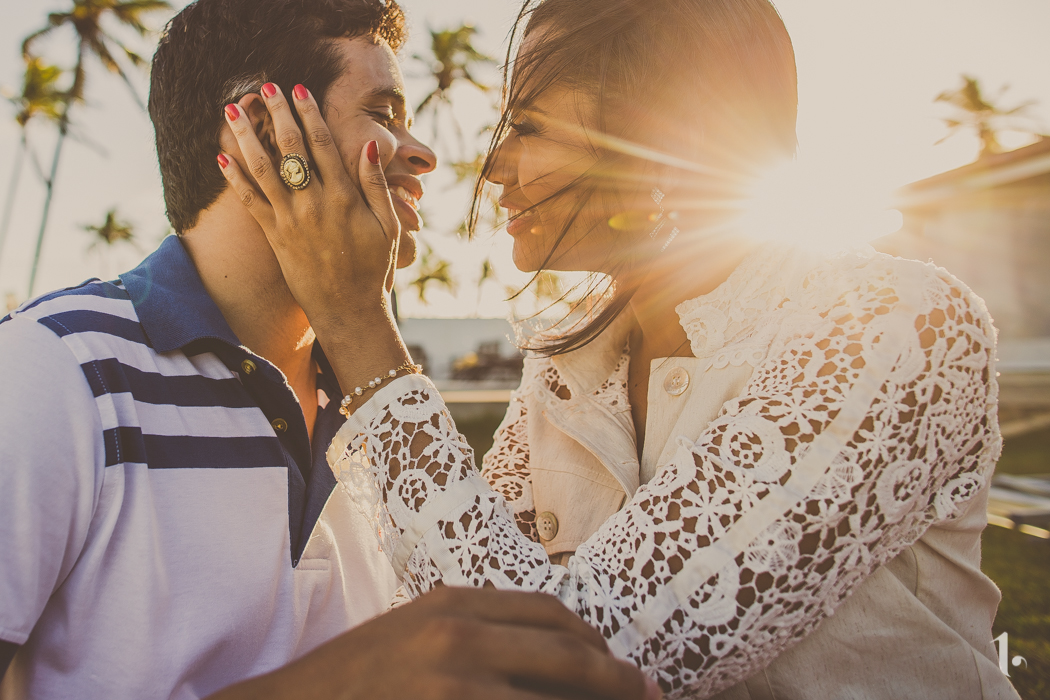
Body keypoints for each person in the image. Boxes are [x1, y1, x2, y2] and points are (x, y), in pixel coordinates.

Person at [216, 0, 1022, 698]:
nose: (494, 165)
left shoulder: (895, 325)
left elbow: (560, 661)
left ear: (667, 138)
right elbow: (459, 591)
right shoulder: (565, 369)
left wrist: (358, 323)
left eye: (527, 126)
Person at [0, 1, 657, 699]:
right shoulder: (54, 371)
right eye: (381, 112)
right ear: (263, 128)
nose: (422, 151)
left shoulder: (383, 407)